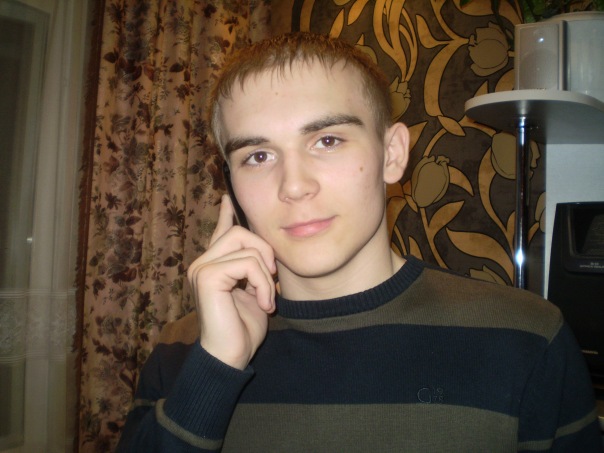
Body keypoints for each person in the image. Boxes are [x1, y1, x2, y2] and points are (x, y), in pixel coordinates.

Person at [116, 32, 601, 452]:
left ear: (392, 155)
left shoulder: (526, 340)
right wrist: (215, 368)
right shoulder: (182, 350)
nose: (294, 186)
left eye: (327, 141)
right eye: (258, 156)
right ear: (230, 183)